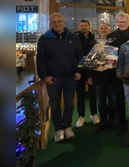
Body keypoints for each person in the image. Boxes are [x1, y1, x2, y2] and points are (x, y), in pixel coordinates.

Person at [36, 13, 83, 142]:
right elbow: (40, 59)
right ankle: (58, 130)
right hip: (53, 78)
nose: (57, 24)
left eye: (59, 21)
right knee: (55, 106)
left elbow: (80, 56)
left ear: (64, 21)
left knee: (69, 104)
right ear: (51, 24)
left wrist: (79, 71)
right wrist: (44, 76)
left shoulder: (73, 37)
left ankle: (67, 127)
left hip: (70, 77)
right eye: (54, 22)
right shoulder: (44, 39)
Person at [87, 22, 117, 133]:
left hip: (112, 76)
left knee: (113, 100)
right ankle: (103, 120)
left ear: (109, 29)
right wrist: (89, 76)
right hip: (98, 76)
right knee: (101, 100)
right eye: (101, 28)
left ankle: (113, 120)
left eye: (105, 28)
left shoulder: (114, 43)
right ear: (98, 30)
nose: (103, 30)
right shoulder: (93, 44)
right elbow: (88, 61)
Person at [107, 12, 129, 136]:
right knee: (118, 100)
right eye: (120, 22)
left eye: (124, 22)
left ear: (128, 22)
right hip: (115, 72)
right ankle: (122, 124)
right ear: (116, 22)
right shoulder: (110, 36)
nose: (122, 24)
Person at [75, 19, 99, 128]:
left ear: (89, 27)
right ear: (78, 27)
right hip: (78, 71)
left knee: (93, 94)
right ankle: (81, 116)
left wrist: (90, 74)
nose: (83, 27)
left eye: (85, 25)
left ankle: (94, 114)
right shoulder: (74, 38)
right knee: (80, 95)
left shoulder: (95, 39)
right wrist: (77, 71)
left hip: (91, 71)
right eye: (81, 25)